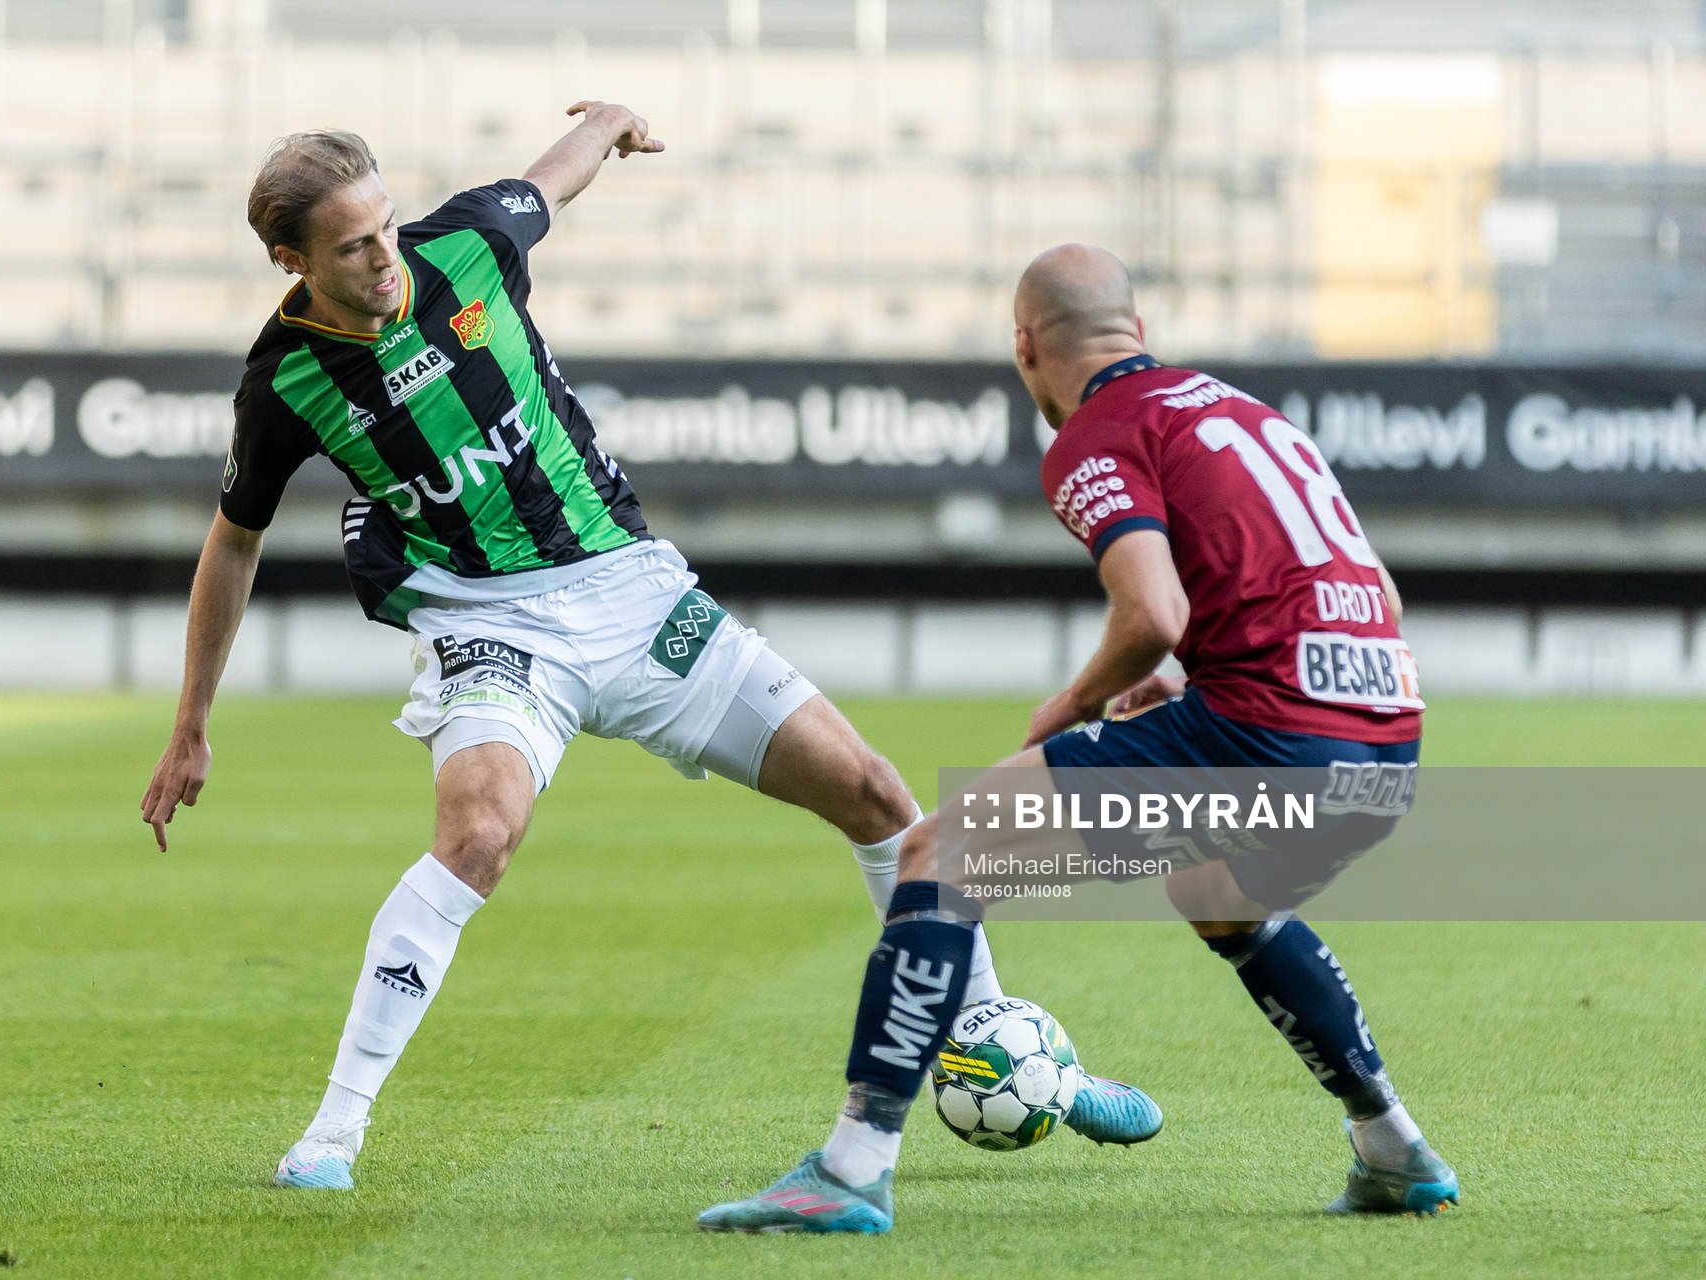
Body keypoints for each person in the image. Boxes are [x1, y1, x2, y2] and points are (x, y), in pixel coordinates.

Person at [138, 106, 1149, 1191]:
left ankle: (1010, 1046)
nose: (386, 256)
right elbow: (232, 542)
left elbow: (550, 179)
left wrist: (613, 123)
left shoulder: (467, 246)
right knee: (478, 833)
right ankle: (332, 1134)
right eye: (353, 246)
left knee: (874, 793)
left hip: (632, 593)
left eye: (387, 224)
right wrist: (191, 723)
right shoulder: (284, 382)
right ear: (291, 261)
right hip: (491, 624)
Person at [699, 244, 1457, 1234]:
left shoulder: (1101, 431)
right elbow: (1379, 595)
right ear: (1137, 329)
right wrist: (1197, 683)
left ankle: (849, 1169)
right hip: (1386, 744)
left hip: (1271, 731)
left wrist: (1074, 701)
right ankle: (1393, 1147)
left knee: (939, 854)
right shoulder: (1250, 415)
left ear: (1025, 346)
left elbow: (1152, 611)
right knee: (1218, 894)